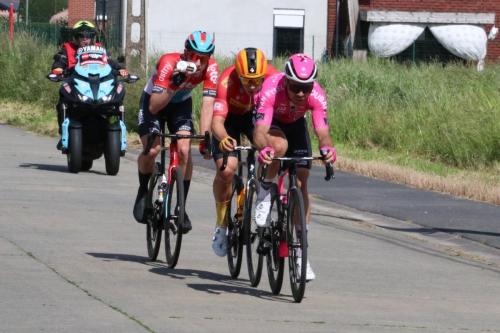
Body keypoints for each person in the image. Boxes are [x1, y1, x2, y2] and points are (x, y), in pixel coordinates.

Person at [252, 53, 337, 280]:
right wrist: (264, 149)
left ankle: (300, 250)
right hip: (271, 122)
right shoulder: (272, 88)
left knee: (301, 179)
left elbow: (323, 132)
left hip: (296, 124)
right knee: (279, 146)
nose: (301, 93)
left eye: (306, 88)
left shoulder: (316, 95)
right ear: (286, 81)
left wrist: (328, 149)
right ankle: (265, 191)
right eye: (296, 87)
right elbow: (259, 132)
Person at [133, 30, 218, 234]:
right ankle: (143, 189)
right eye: (193, 56)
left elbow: (208, 106)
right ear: (186, 52)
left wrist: (207, 137)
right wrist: (175, 82)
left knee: (184, 150)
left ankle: (181, 206)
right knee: (152, 150)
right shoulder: (168, 62)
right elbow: (154, 107)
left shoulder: (211, 68)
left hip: (180, 106)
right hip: (156, 100)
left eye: (203, 58)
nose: (198, 62)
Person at [210, 47, 278, 256]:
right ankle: (221, 225)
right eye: (246, 80)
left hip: (255, 119)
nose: (252, 85)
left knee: (270, 150)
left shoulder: (273, 77)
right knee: (227, 170)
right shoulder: (226, 81)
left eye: (257, 80)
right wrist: (224, 138)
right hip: (229, 120)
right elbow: (217, 122)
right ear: (238, 74)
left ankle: (260, 191)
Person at [51, 20, 128, 149]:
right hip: (75, 84)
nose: (85, 39)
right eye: (81, 36)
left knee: (118, 98)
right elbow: (59, 61)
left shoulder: (100, 50)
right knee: (62, 100)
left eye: (89, 36)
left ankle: (117, 136)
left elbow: (110, 62)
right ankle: (63, 133)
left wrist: (120, 69)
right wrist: (58, 69)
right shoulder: (67, 48)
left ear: (93, 37)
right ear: (75, 37)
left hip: (99, 85)